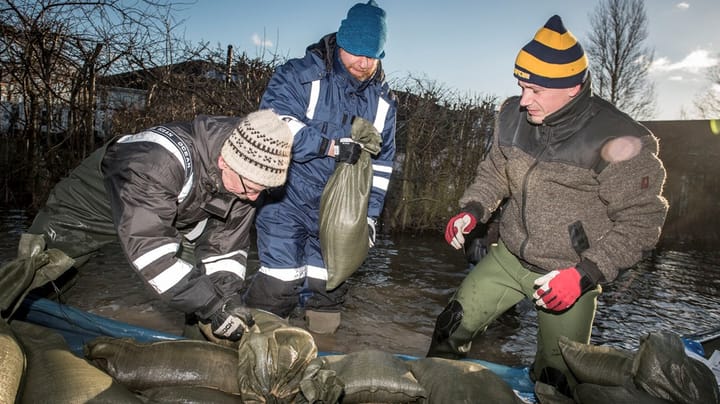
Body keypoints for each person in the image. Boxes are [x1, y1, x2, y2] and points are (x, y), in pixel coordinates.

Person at [427, 15, 668, 395]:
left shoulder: (621, 137)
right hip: (508, 257)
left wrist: (585, 273)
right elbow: (494, 172)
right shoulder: (510, 116)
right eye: (522, 86)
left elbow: (643, 221)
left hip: (569, 273)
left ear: (572, 87)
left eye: (536, 90)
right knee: (450, 325)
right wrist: (472, 209)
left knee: (557, 380)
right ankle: (436, 391)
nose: (524, 100)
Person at [18, 110, 293, 342]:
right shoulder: (155, 161)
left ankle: (196, 354)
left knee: (205, 291)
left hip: (179, 212)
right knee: (37, 272)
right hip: (91, 205)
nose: (255, 198)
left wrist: (227, 301)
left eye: (263, 191)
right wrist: (211, 305)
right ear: (224, 161)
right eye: (252, 190)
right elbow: (151, 254)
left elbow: (225, 248)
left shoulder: (248, 177)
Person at [243, 0, 397, 335]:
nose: (363, 62)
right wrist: (328, 146)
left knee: (329, 290)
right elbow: (274, 124)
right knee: (279, 284)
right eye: (356, 51)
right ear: (341, 41)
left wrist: (369, 218)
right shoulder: (299, 74)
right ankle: (250, 343)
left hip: (339, 212)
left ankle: (321, 352)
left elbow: (382, 166)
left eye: (372, 55)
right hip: (287, 198)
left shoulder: (385, 103)